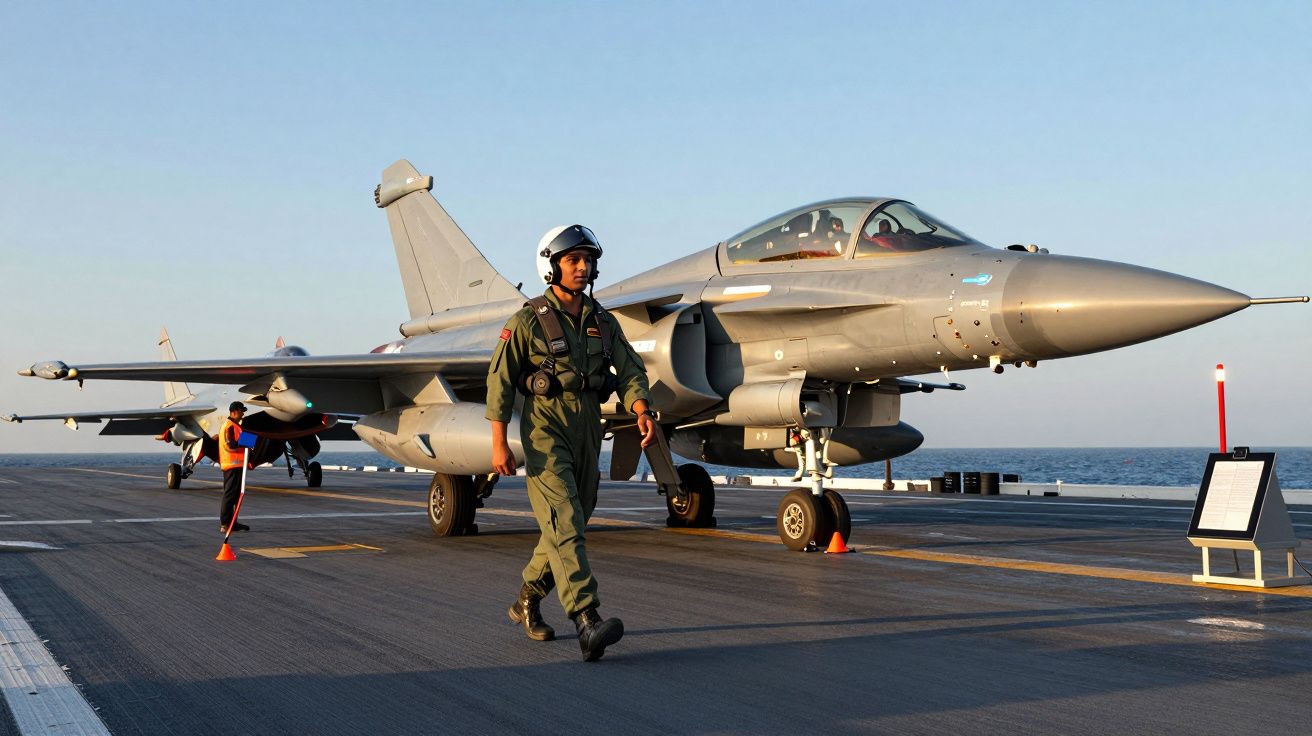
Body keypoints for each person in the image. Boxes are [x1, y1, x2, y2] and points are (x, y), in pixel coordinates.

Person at [486, 224, 657, 662]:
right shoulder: (527, 320)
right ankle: (586, 619)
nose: (583, 268)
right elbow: (500, 380)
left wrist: (640, 409)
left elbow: (632, 368)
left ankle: (527, 597)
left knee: (572, 522)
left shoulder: (603, 321)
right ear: (552, 266)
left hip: (587, 426)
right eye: (573, 260)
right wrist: (498, 443)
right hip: (545, 427)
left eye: (588, 261)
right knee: (563, 515)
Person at [218, 401, 251, 534]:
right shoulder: (230, 426)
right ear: (235, 411)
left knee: (236, 496)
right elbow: (230, 445)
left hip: (238, 465)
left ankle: (233, 523)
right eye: (241, 411)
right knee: (230, 495)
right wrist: (247, 441)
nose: (243, 413)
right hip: (232, 465)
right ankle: (225, 524)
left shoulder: (236, 426)